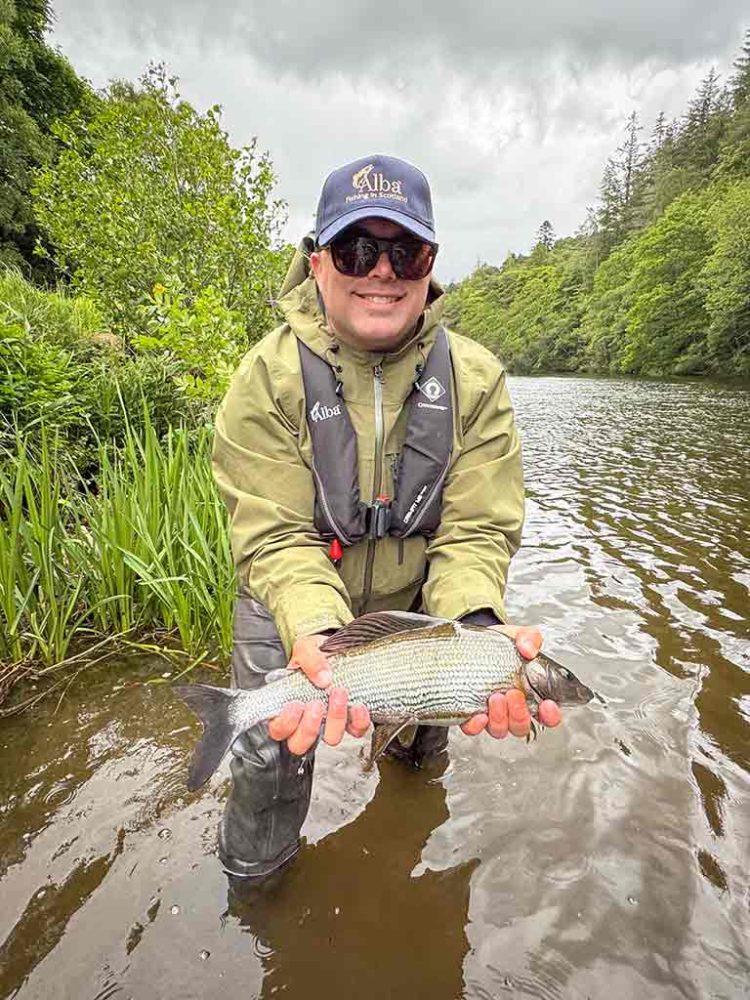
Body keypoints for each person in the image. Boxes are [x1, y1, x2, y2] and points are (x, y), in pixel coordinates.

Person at [211, 154, 562, 884]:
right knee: (271, 753)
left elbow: (477, 530)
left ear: (430, 265)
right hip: (290, 603)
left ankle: (404, 842)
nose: (382, 271)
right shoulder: (265, 378)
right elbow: (274, 536)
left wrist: (477, 625)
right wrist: (316, 630)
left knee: (428, 740)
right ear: (318, 263)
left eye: (406, 252)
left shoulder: (477, 380)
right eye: (357, 248)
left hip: (425, 611)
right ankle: (256, 885)